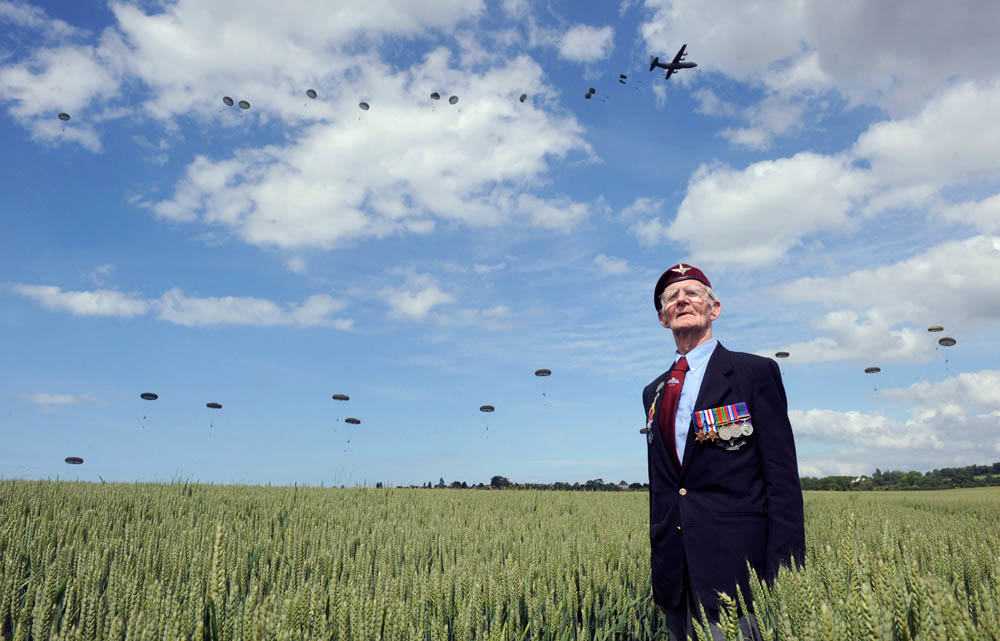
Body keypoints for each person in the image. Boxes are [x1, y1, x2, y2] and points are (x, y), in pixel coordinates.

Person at [642, 263, 805, 641]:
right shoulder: (653, 392)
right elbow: (666, 486)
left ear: (714, 309)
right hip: (675, 576)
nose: (682, 299)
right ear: (663, 318)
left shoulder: (754, 373)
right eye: (672, 298)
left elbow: (781, 478)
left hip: (739, 574)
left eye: (693, 293)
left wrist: (786, 572)